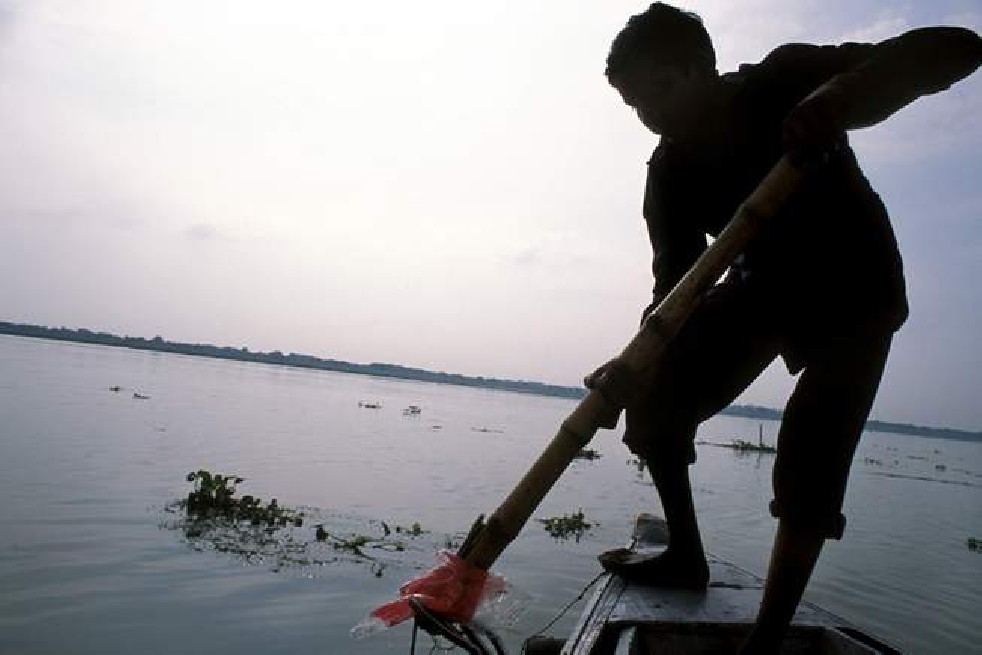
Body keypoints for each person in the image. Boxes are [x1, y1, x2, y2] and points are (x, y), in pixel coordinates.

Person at [585, 4, 980, 653]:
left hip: (856, 284)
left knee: (809, 457)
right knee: (655, 401)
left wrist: (839, 98)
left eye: (658, 90)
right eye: (635, 105)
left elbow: (958, 45)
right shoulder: (671, 173)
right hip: (765, 288)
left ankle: (766, 640)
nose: (650, 115)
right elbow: (675, 289)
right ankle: (685, 554)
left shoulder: (783, 78)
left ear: (701, 68)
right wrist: (636, 359)